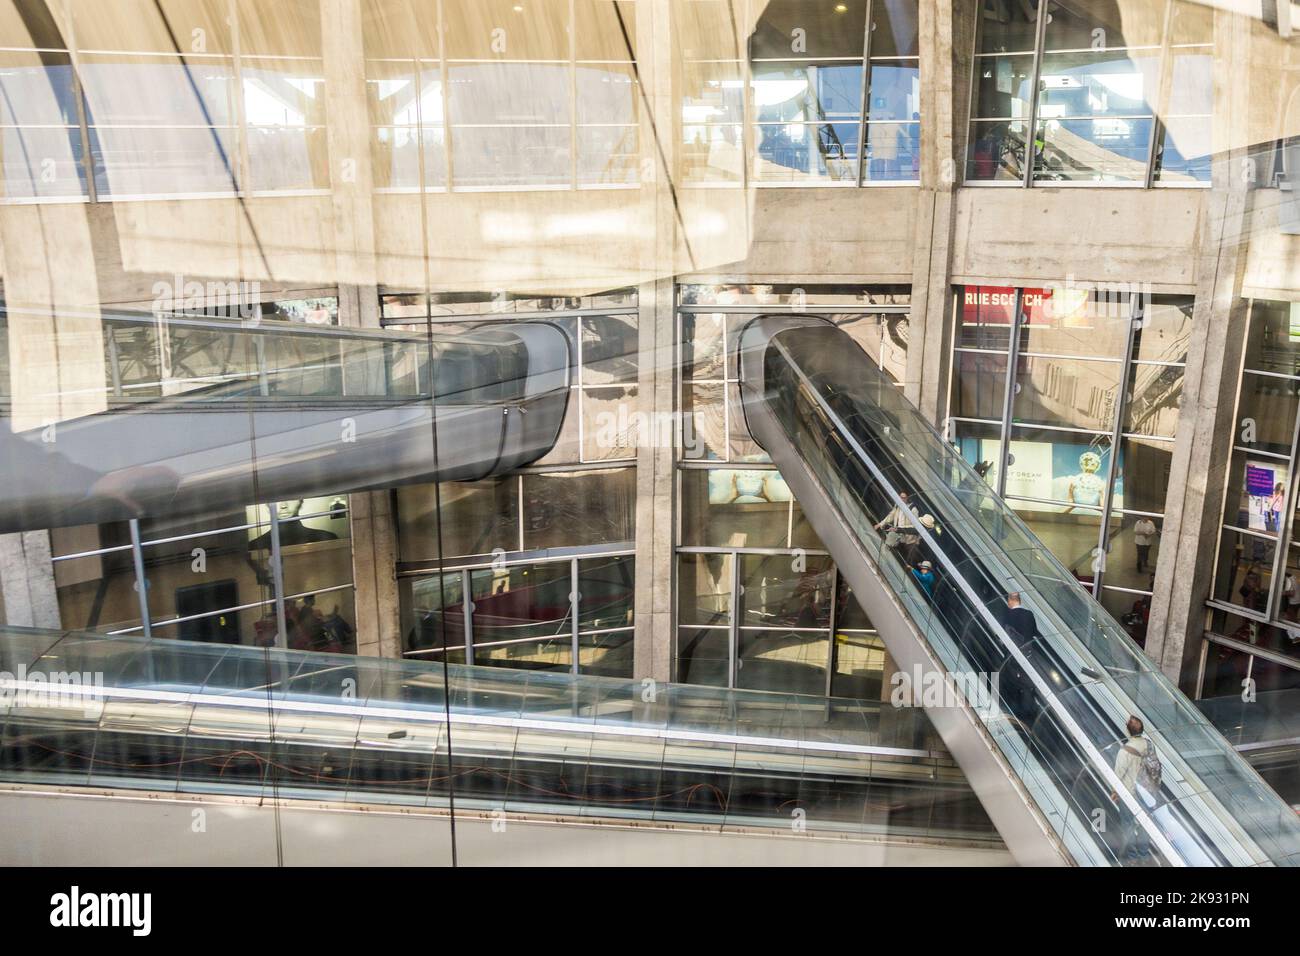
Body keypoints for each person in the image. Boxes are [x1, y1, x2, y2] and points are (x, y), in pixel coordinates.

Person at [1111, 715, 1161, 863]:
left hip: (1129, 794)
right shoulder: (1149, 745)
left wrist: (1114, 791)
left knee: (1128, 825)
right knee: (1145, 824)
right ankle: (1144, 855)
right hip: (1147, 792)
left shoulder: (1125, 751)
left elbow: (1118, 774)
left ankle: (1133, 858)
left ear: (1128, 730)